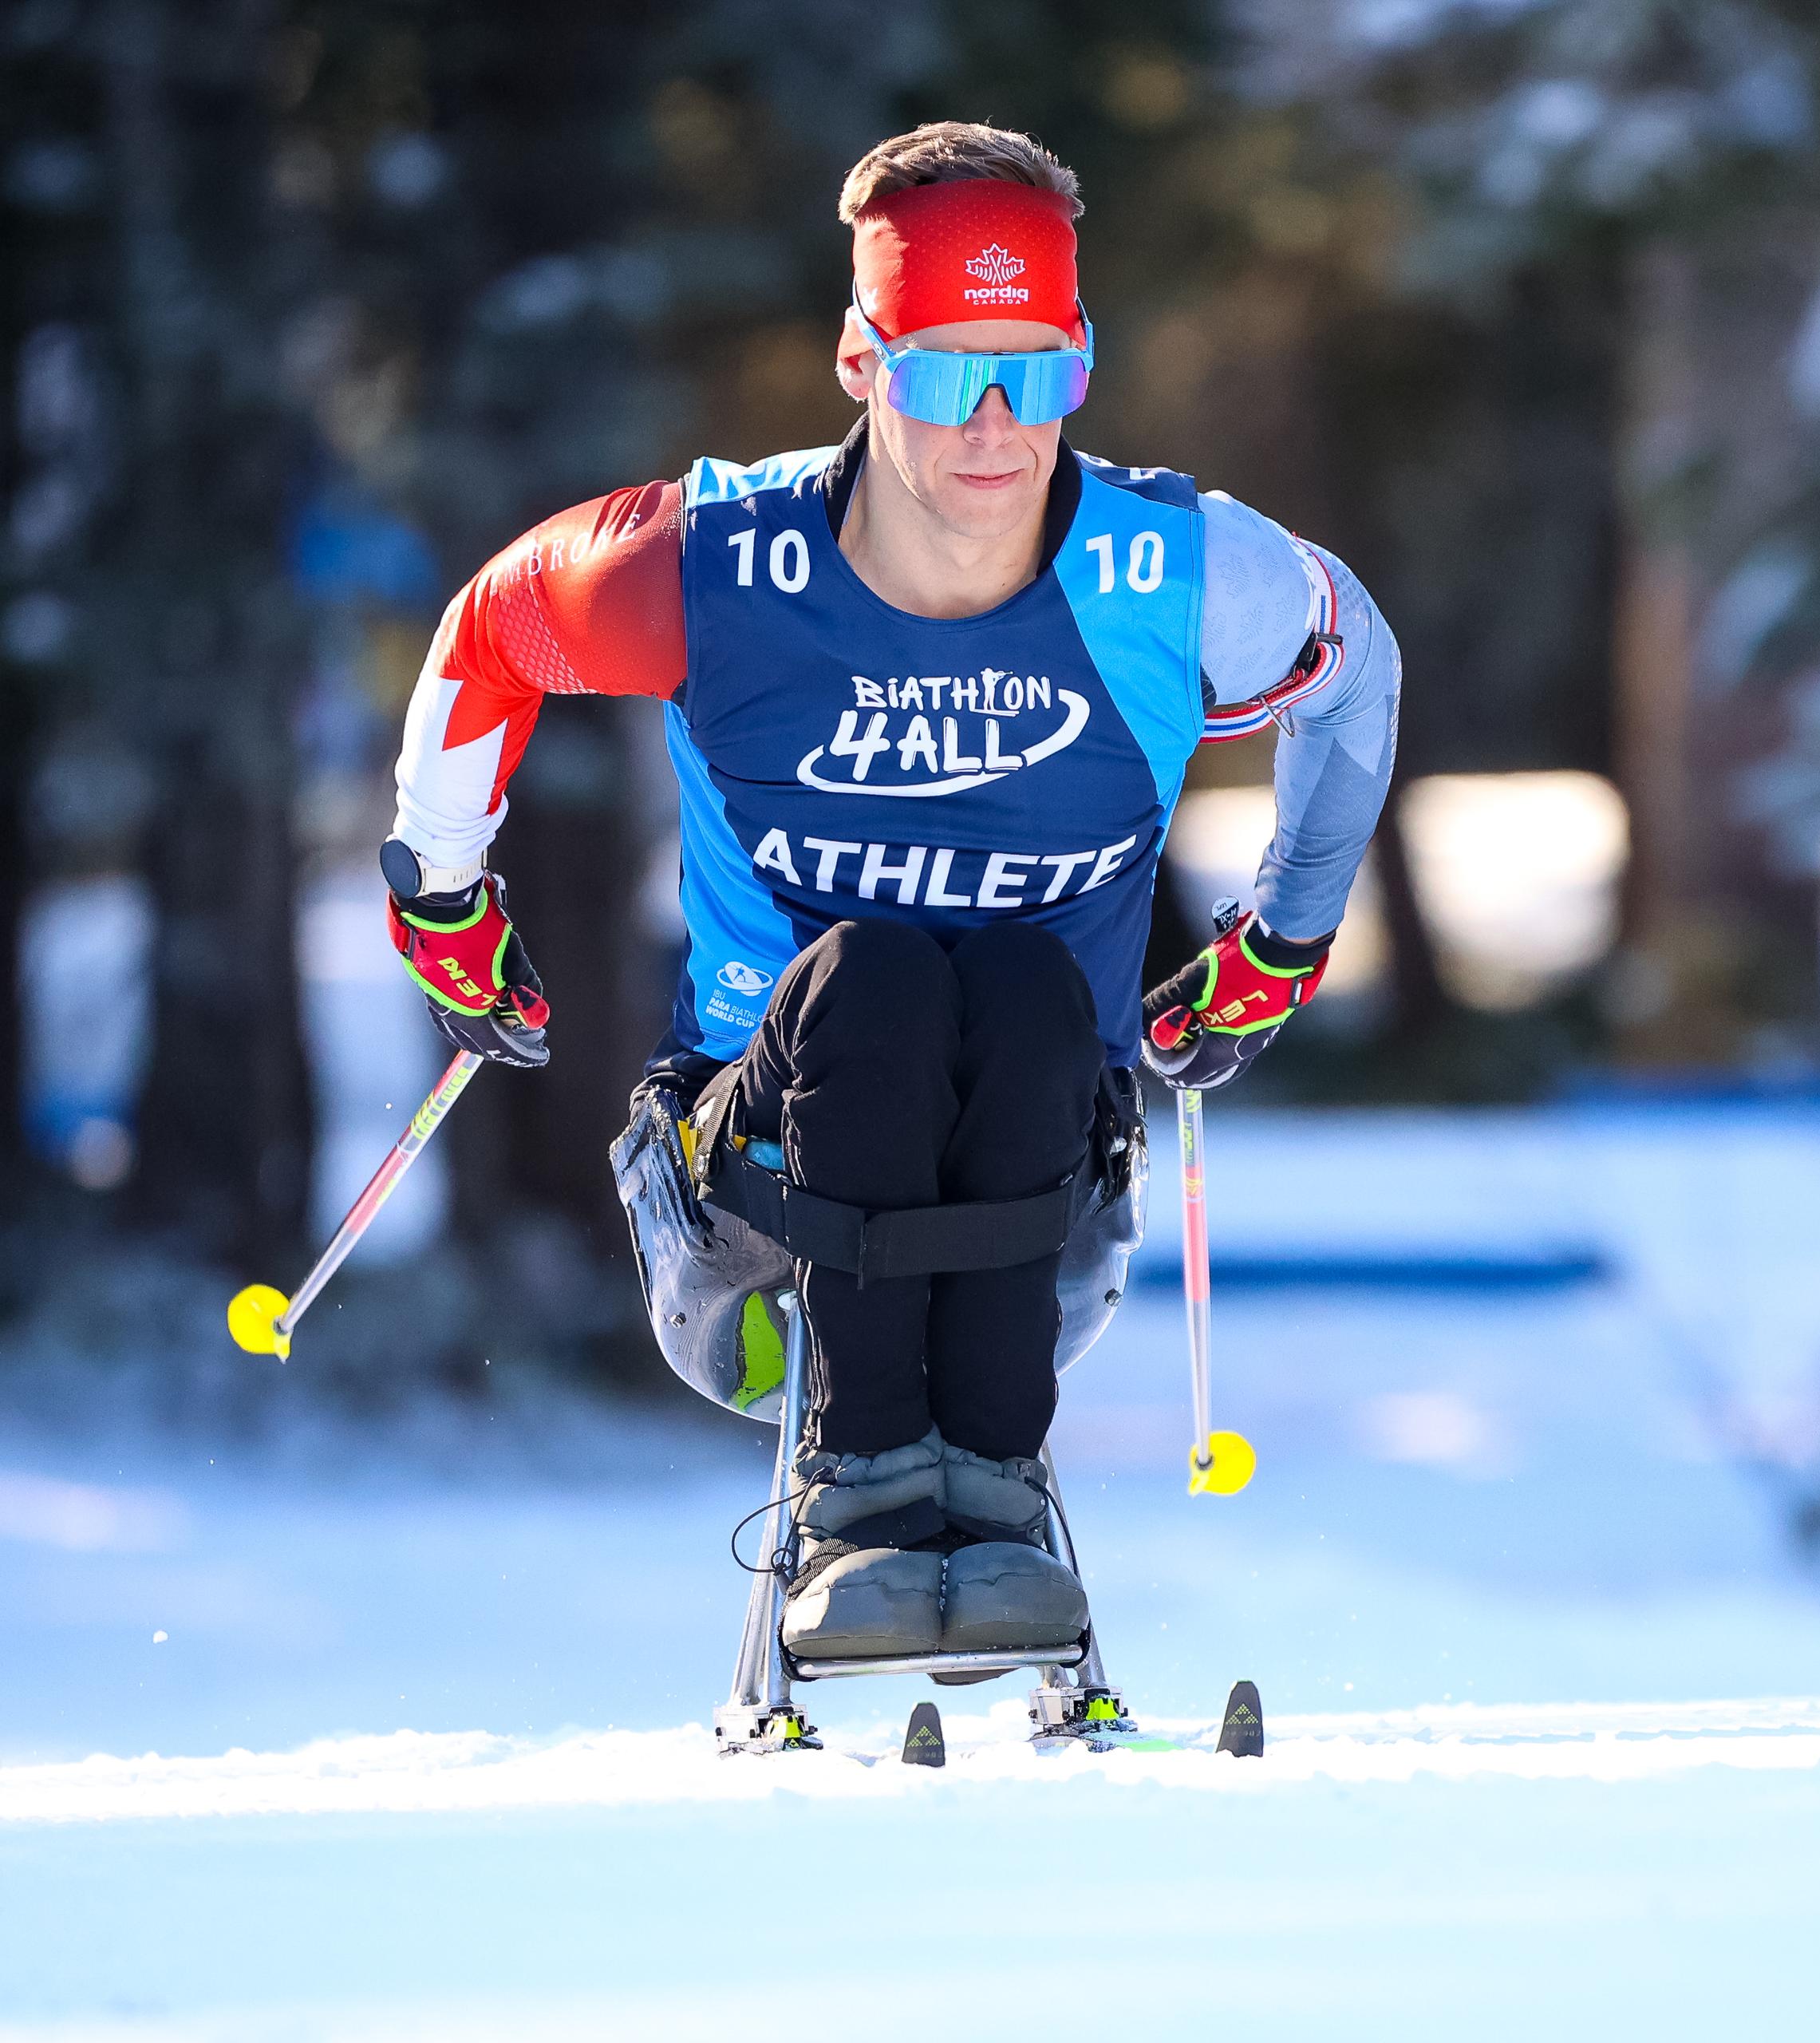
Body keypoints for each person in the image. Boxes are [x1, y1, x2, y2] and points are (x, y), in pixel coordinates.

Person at [379, 123, 1400, 1666]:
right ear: (862, 362)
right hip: (754, 1212)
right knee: (880, 977)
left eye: (1035, 371)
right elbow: (496, 630)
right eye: (941, 372)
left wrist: (1286, 936)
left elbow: (1354, 661)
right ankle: (858, 1502)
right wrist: (441, 896)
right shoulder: (719, 563)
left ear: (1082, 361)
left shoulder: (1171, 574)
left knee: (1025, 988)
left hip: (1041, 1205)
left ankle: (989, 1513)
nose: (993, 427)